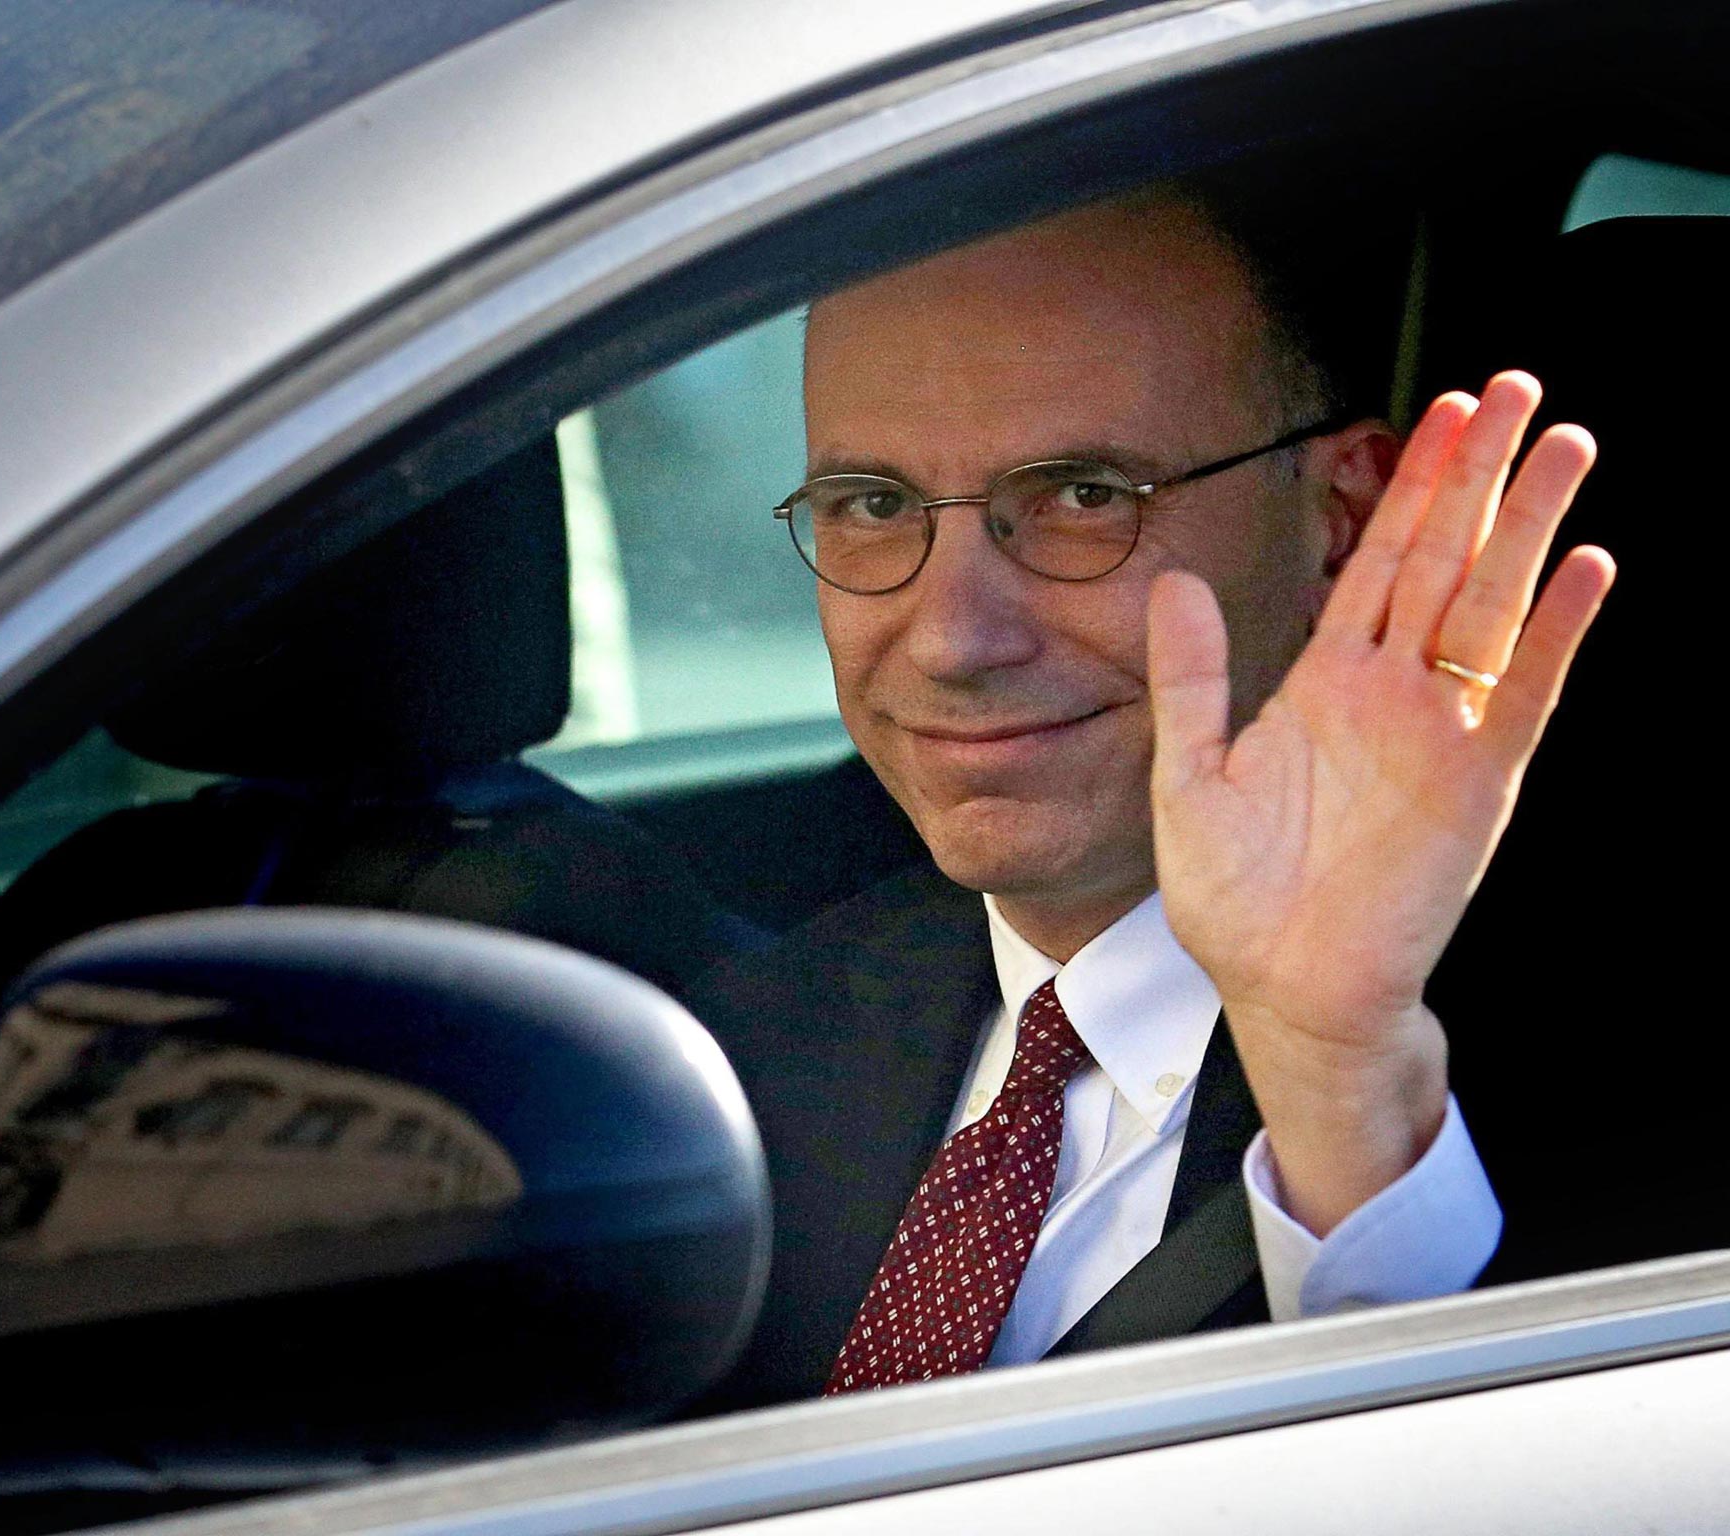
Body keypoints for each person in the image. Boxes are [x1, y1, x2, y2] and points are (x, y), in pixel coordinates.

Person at [692, 182, 1617, 1407]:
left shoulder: (1624, 1075)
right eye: (874, 507)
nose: (950, 639)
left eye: (1082, 496)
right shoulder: (745, 1042)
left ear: (1336, 516)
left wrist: (1341, 1089)